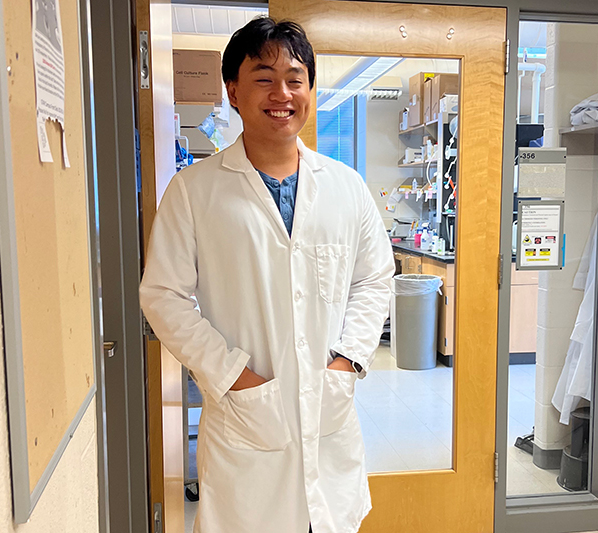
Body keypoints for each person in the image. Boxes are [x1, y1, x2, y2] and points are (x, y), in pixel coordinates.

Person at [140, 17, 394, 533]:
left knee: (328, 519)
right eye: (263, 77)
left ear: (310, 90)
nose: (282, 93)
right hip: (245, 419)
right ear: (233, 90)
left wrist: (346, 362)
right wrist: (233, 375)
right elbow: (163, 295)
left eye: (295, 78)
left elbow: (375, 278)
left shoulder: (346, 187)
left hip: (329, 414)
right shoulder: (194, 191)